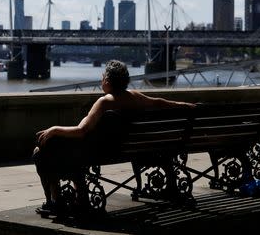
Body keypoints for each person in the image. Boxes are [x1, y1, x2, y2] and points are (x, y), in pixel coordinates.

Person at [33, 59, 195, 215]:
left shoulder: (105, 102)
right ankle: (77, 200)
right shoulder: (135, 96)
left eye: (103, 77)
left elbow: (82, 130)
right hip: (123, 150)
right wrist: (184, 105)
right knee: (66, 151)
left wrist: (54, 129)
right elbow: (158, 102)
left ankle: (56, 201)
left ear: (108, 80)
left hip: (97, 153)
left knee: (41, 151)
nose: (101, 80)